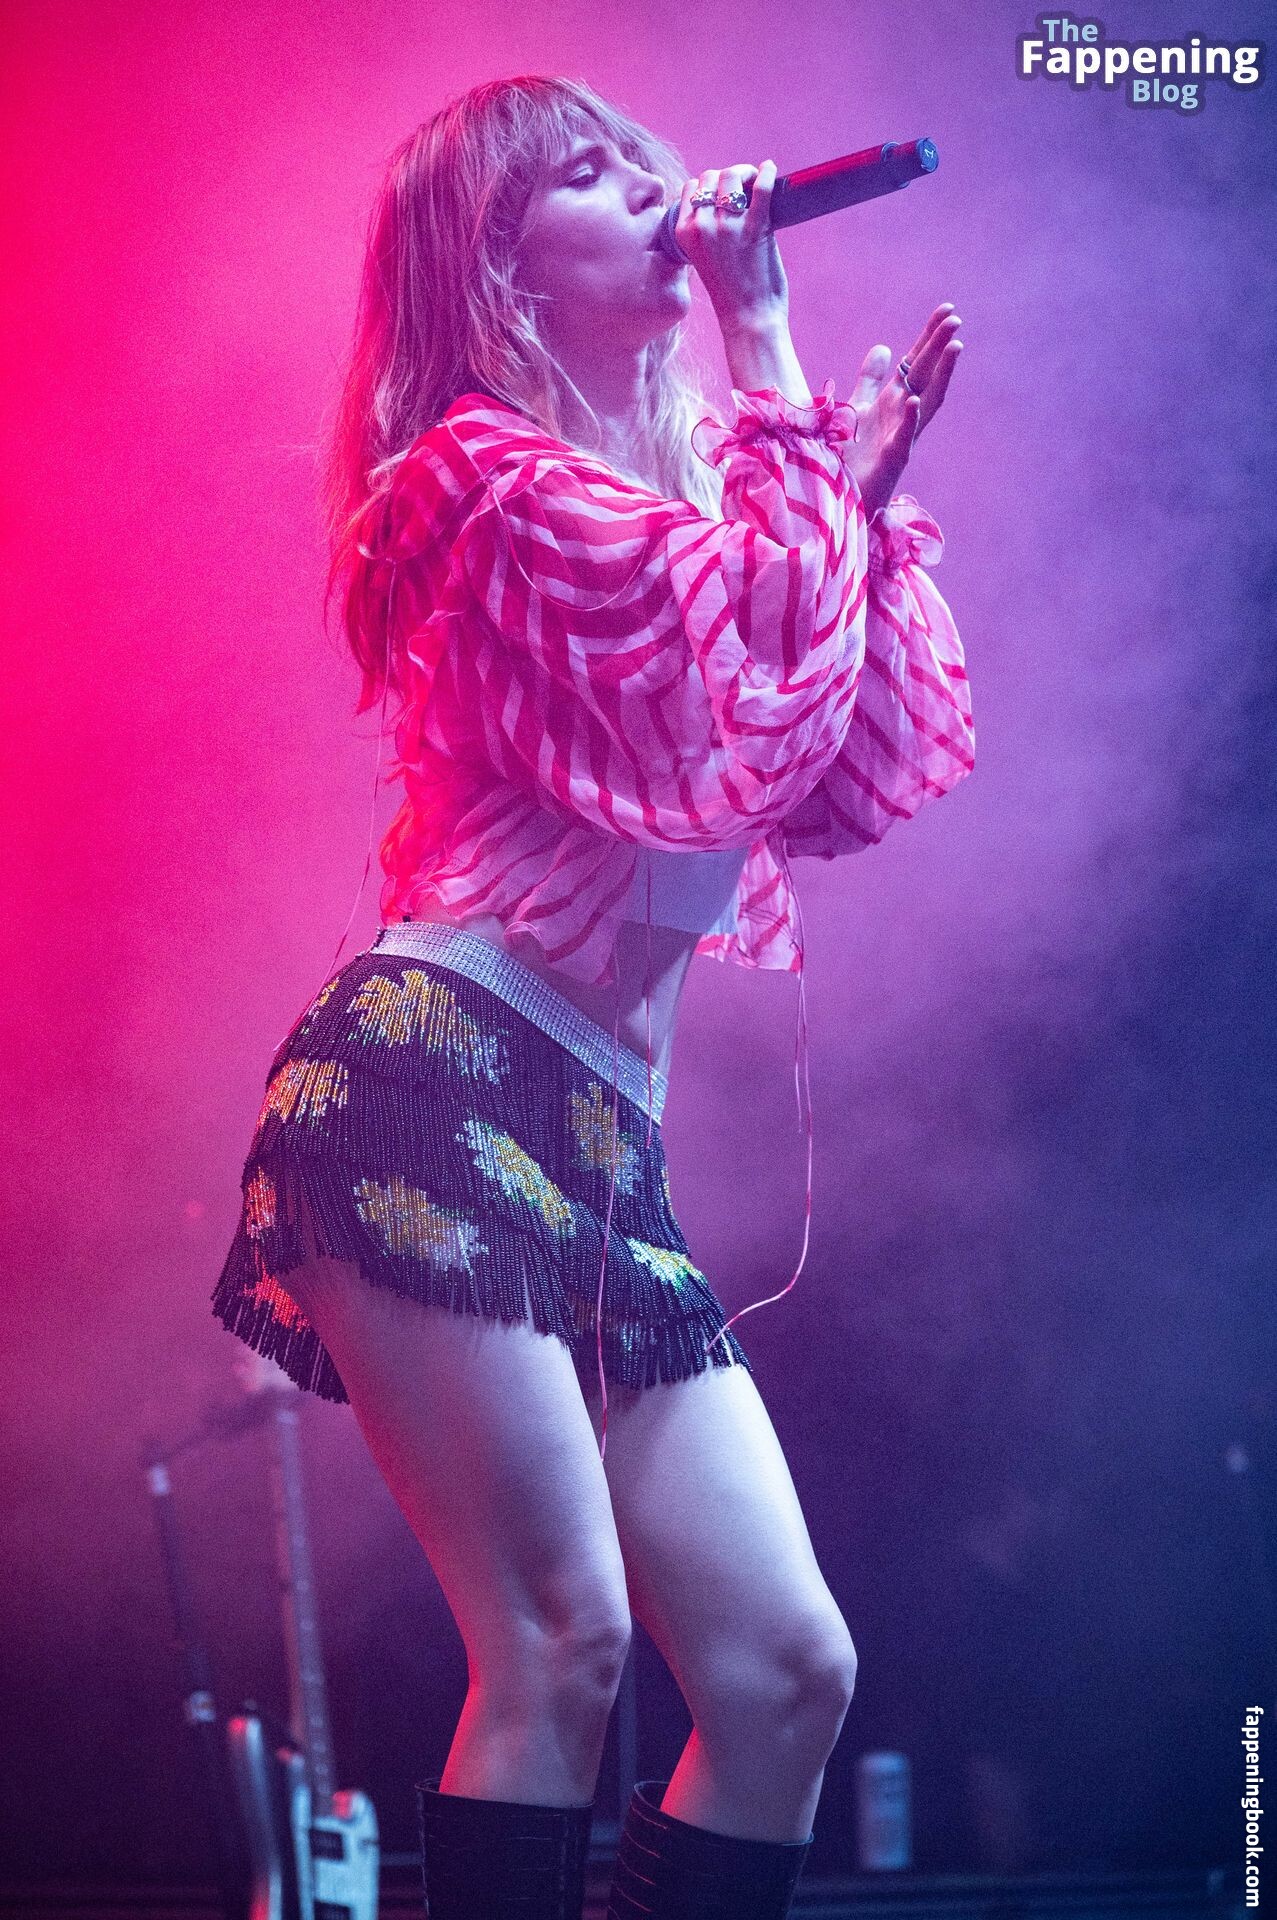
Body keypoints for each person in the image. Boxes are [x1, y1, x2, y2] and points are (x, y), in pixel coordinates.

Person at [211, 73, 973, 1920]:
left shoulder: (698, 492)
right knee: (559, 1643)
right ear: (493, 264)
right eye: (586, 175)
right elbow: (727, 714)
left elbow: (844, 774)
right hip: (431, 1079)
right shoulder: (475, 482)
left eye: (646, 161)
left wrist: (847, 500)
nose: (653, 192)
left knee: (784, 1676)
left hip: (598, 1147)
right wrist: (770, 351)